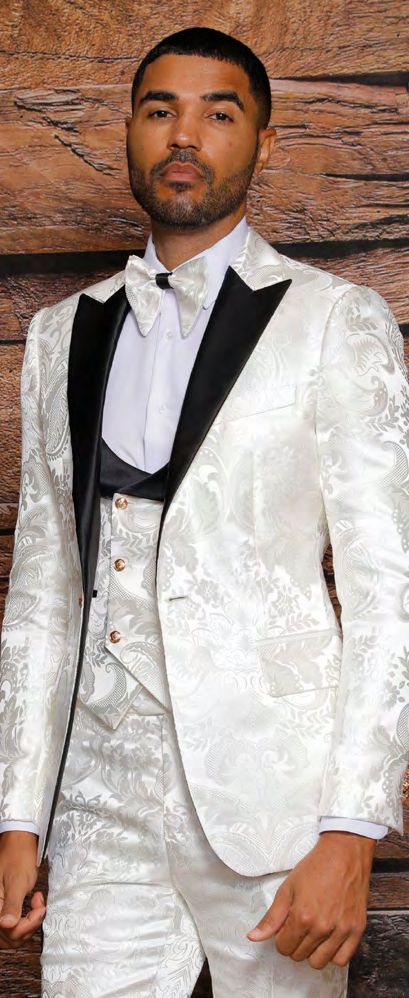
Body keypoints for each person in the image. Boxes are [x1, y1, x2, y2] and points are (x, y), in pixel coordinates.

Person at [0, 25, 408, 998]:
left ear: (262, 142)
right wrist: (17, 814)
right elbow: (44, 595)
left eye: (218, 113)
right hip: (100, 810)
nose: (186, 134)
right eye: (160, 110)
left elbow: (387, 589)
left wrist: (350, 825)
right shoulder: (60, 334)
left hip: (275, 807)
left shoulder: (334, 320)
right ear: (130, 134)